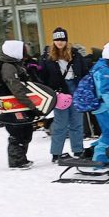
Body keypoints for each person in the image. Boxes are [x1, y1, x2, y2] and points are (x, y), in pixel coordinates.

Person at [41, 27, 90, 162]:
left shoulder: (75, 54)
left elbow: (84, 72)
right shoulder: (47, 57)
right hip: (59, 92)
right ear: (53, 41)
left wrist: (83, 88)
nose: (60, 42)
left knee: (77, 122)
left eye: (62, 39)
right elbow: (43, 77)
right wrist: (52, 91)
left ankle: (78, 150)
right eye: (57, 39)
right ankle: (56, 153)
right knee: (60, 123)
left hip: (76, 89)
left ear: (66, 40)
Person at [0, 40, 37, 169]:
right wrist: (31, 106)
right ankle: (16, 161)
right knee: (17, 131)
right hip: (13, 105)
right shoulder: (9, 67)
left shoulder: (14, 65)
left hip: (17, 104)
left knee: (25, 130)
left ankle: (21, 159)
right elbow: (16, 89)